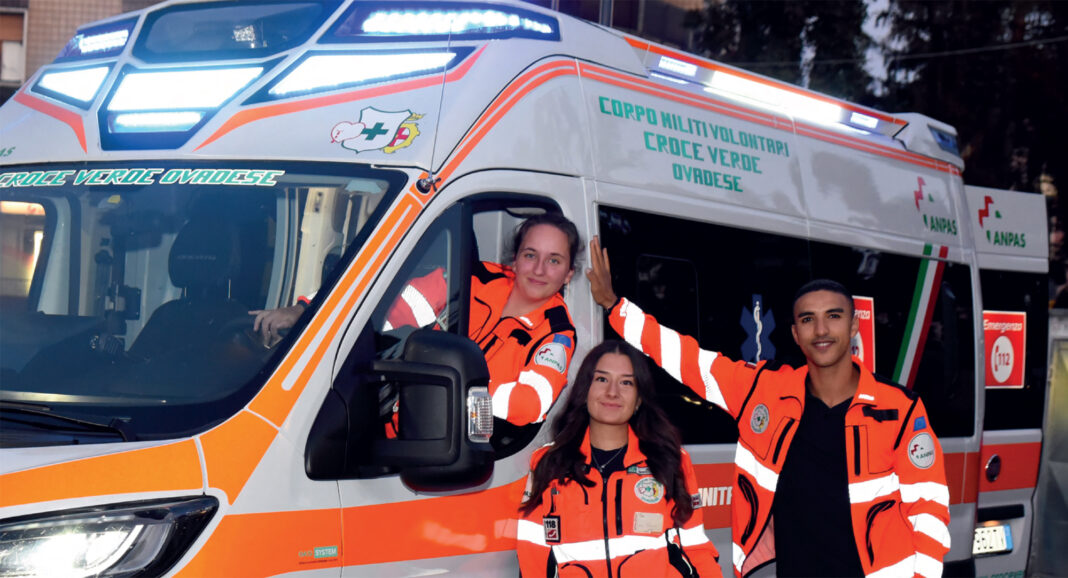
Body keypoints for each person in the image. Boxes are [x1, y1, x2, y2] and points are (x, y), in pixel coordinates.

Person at [586, 237, 950, 578]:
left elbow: (930, 510)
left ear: (854, 325)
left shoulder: (898, 408)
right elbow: (688, 359)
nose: (821, 330)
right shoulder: (763, 391)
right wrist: (615, 307)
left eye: (834, 316)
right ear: (795, 333)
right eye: (808, 319)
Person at [517, 340, 721, 577]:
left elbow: (696, 549)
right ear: (585, 390)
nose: (612, 392)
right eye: (602, 379)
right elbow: (532, 559)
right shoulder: (548, 463)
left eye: (626, 383)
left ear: (639, 399)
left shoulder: (670, 460)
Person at [385, 212, 581, 426]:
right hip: (382, 414)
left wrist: (452, 385)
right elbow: (390, 321)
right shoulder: (475, 277)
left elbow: (531, 404)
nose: (539, 270)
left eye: (554, 260)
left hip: (442, 437)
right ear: (515, 260)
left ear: (568, 274)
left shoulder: (556, 332)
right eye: (530, 255)